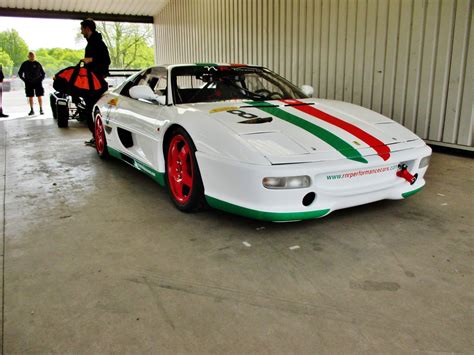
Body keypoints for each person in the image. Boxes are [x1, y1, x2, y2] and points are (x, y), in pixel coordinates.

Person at [80, 18, 111, 146]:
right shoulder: (92, 42)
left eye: (82, 29)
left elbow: (106, 60)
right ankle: (96, 137)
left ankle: (99, 138)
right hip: (91, 82)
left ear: (88, 28)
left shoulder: (98, 43)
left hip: (95, 84)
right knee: (90, 111)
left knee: (92, 111)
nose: (81, 32)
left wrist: (91, 60)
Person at [18, 51, 45, 116]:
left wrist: (40, 80)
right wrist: (25, 80)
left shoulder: (38, 63)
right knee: (30, 96)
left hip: (38, 83)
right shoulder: (24, 64)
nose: (32, 57)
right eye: (30, 56)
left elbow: (43, 73)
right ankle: (32, 110)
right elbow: (20, 73)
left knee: (39, 96)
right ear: (28, 56)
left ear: (34, 56)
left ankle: (41, 109)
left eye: (33, 56)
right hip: (28, 83)